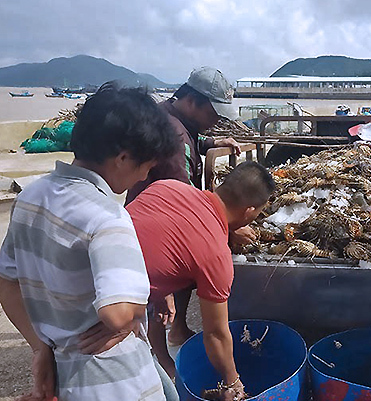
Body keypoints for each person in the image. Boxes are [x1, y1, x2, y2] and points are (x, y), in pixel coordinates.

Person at [0, 82, 179, 400]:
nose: (142, 178)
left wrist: (40, 345)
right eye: (146, 167)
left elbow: (6, 282)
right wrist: (137, 309)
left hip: (68, 374)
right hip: (117, 381)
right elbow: (117, 313)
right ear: (123, 158)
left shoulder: (30, 197)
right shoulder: (107, 217)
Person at [125, 67, 253, 349]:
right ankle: (160, 346)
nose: (217, 120)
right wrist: (228, 229)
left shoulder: (168, 117)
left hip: (144, 215)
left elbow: (190, 141)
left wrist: (212, 143)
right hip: (158, 221)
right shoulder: (175, 136)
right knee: (169, 278)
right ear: (192, 100)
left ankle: (176, 330)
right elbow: (183, 198)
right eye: (213, 112)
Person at [126, 161, 276, 399]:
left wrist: (162, 289)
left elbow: (144, 234)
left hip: (70, 277)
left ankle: (163, 364)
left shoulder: (169, 187)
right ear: (249, 211)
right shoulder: (216, 254)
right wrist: (232, 381)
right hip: (103, 313)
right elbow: (215, 333)